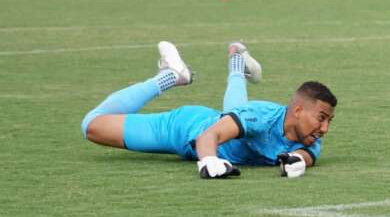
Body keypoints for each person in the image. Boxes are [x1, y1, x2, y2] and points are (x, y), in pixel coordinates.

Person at [80, 41, 335, 179]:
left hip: (230, 124)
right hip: (185, 129)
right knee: (91, 126)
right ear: (298, 110)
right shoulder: (262, 117)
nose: (324, 129)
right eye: (321, 118)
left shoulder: (310, 138)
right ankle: (170, 76)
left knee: (235, 113)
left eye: (329, 121)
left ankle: (237, 58)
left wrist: (298, 162)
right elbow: (207, 137)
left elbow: (307, 156)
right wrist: (210, 160)